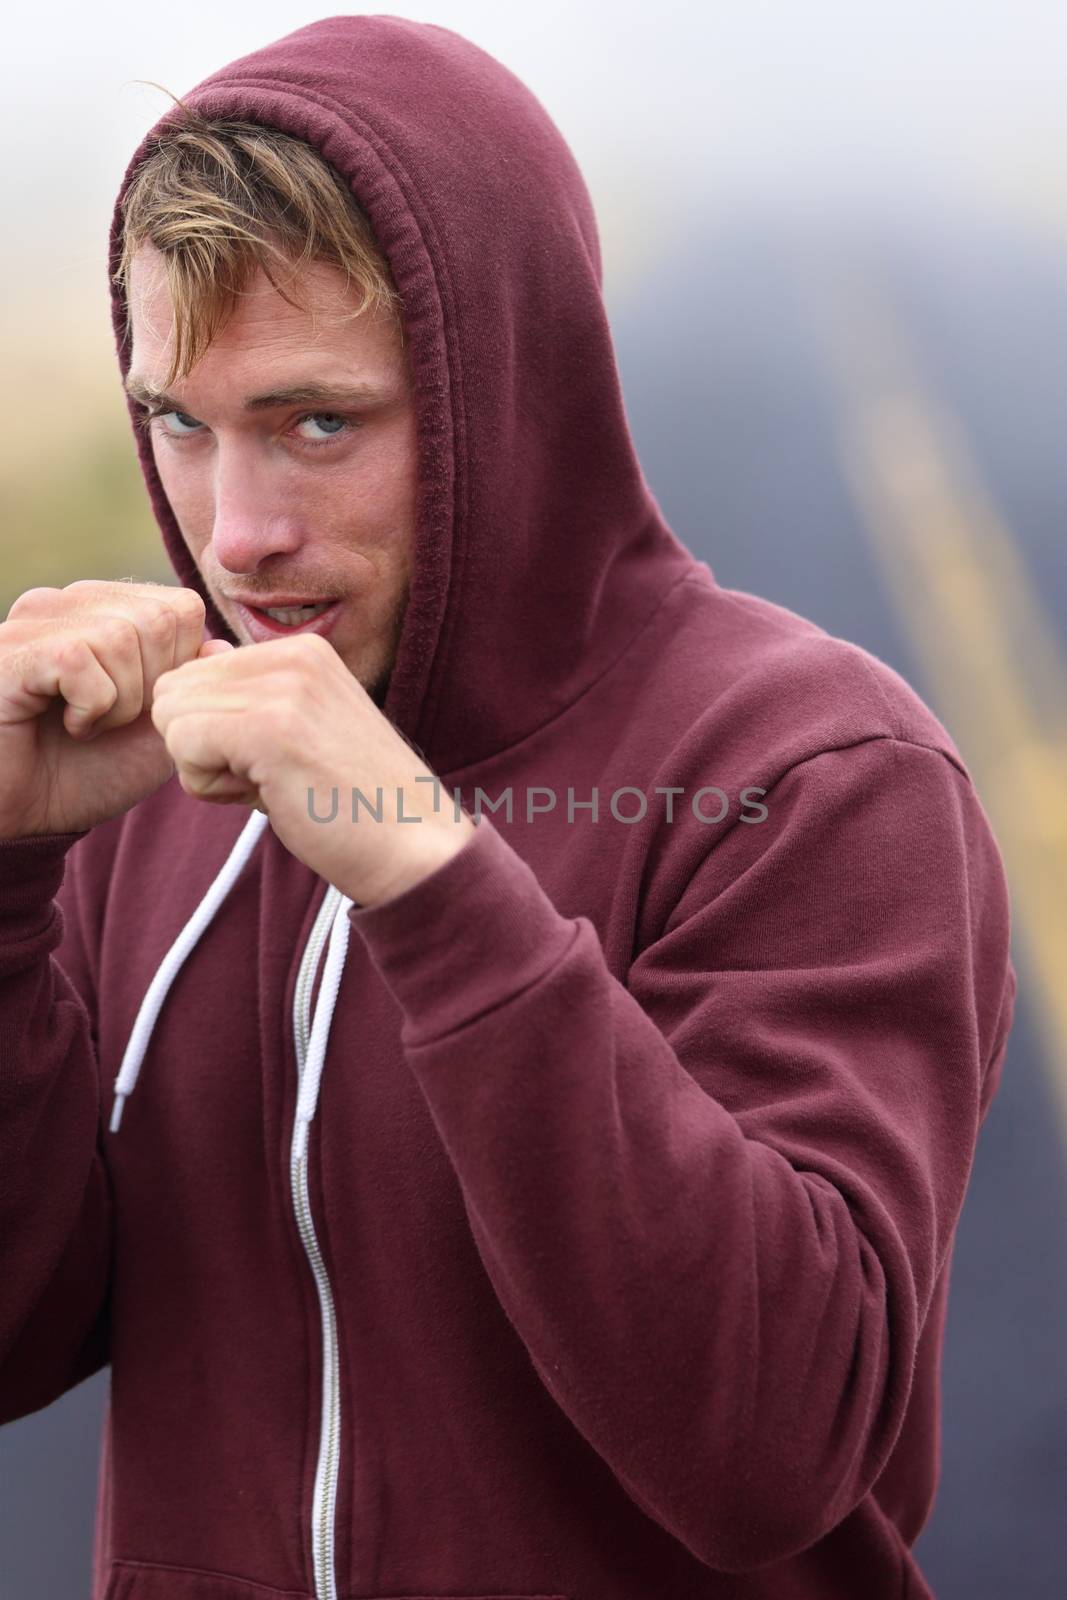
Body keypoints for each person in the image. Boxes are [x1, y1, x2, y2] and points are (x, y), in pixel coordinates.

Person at [0, 16, 1016, 1600]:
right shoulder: (153, 765)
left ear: (505, 392)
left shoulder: (813, 773)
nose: (237, 533)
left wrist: (430, 882)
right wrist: (2, 886)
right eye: (182, 426)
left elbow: (770, 1448)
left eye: (317, 422)